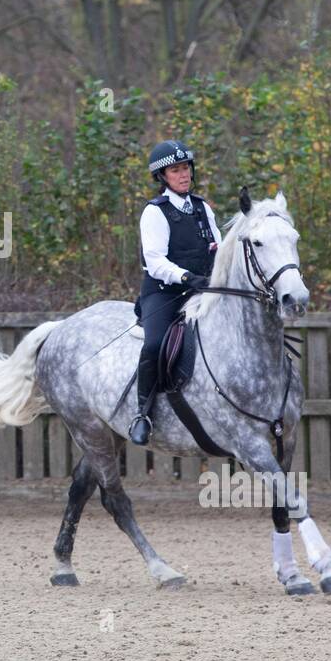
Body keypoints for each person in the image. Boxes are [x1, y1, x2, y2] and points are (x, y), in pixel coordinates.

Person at [127, 140, 222, 445]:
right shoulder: (155, 213)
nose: (183, 175)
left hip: (201, 289)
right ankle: (143, 413)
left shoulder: (202, 207)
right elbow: (154, 261)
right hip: (165, 292)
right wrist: (185, 276)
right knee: (155, 344)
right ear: (163, 177)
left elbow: (217, 247)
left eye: (185, 169)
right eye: (175, 170)